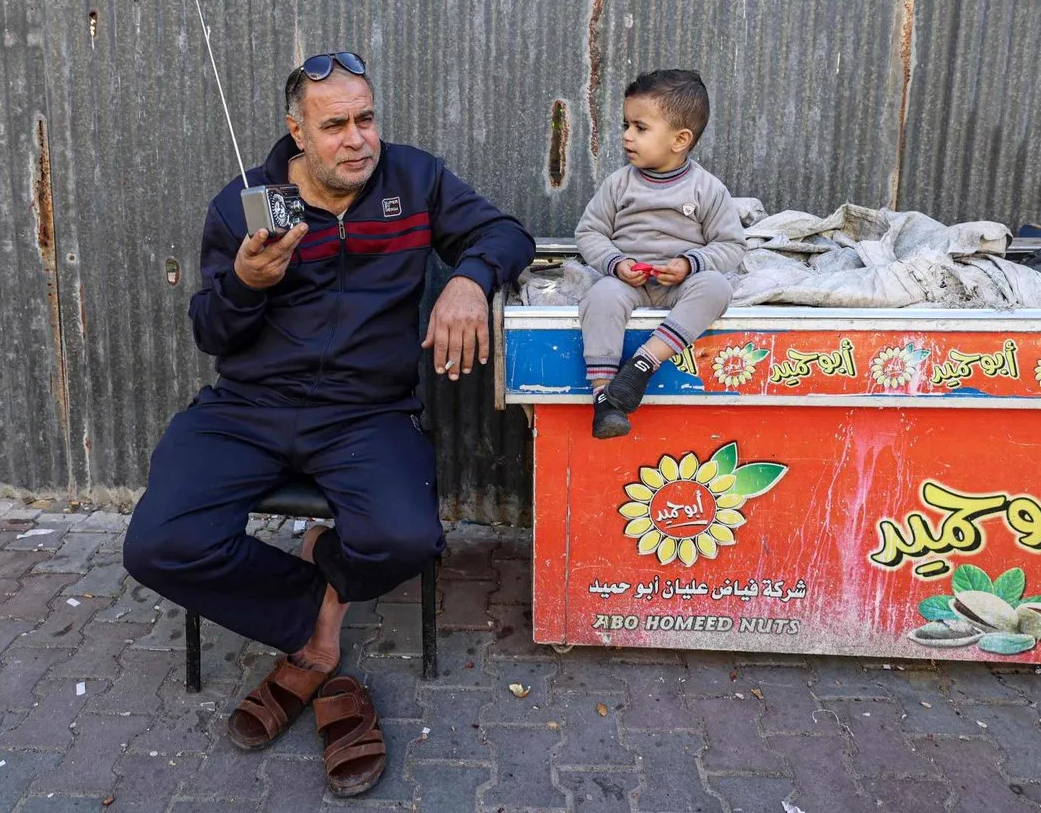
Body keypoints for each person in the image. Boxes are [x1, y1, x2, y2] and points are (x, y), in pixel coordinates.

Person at [122, 52, 534, 795]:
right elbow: (211, 332)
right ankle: (316, 632)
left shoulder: (415, 182)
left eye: (367, 119)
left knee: (405, 537)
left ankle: (312, 631)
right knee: (159, 544)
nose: (357, 140)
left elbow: (506, 234)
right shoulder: (247, 203)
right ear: (297, 133)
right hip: (249, 406)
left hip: (366, 412)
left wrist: (470, 281)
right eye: (335, 124)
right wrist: (247, 284)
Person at [576, 69, 746, 439]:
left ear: (680, 139)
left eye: (640, 127)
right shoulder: (619, 185)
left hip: (677, 286)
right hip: (628, 283)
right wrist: (616, 265)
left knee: (716, 288)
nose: (626, 135)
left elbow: (731, 245)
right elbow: (590, 232)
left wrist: (690, 264)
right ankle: (604, 399)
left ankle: (642, 365)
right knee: (599, 297)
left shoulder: (706, 189)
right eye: (626, 124)